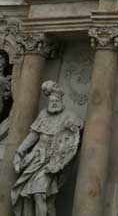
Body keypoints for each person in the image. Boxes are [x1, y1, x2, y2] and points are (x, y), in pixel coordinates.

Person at [11, 81, 83, 216]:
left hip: (52, 162)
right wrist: (19, 152)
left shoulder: (70, 116)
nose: (53, 103)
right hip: (36, 158)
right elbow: (33, 136)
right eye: (51, 101)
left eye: (56, 100)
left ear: (61, 100)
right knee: (26, 195)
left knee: (39, 193)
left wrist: (74, 127)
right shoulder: (43, 115)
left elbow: (73, 138)